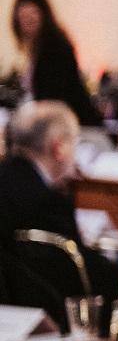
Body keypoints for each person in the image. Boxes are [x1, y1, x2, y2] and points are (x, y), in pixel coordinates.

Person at [9, 0, 101, 126]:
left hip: (73, 125)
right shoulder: (38, 49)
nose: (28, 21)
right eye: (23, 17)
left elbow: (53, 96)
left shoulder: (55, 47)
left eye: (32, 15)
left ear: (43, 16)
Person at [0, 102, 84, 246]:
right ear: (59, 148)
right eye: (74, 142)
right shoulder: (51, 204)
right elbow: (77, 264)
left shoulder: (5, 178)